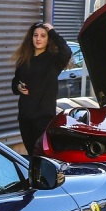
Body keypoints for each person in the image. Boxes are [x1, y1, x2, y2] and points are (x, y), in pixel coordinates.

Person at [10, 21, 72, 154]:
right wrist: (18, 87)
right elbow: (15, 82)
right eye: (35, 35)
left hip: (44, 118)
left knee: (42, 155)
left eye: (43, 36)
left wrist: (53, 32)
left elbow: (66, 52)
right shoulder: (24, 59)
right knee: (31, 154)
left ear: (48, 39)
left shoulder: (53, 60)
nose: (38, 39)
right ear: (31, 37)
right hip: (25, 116)